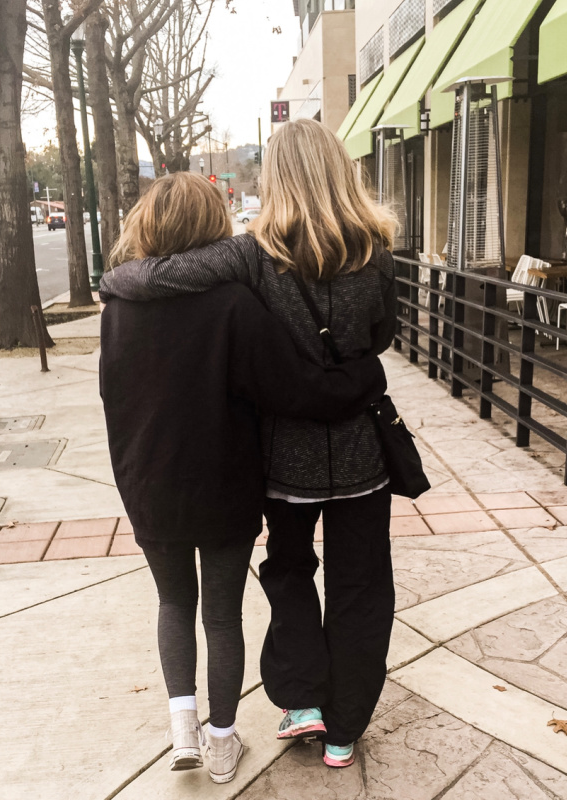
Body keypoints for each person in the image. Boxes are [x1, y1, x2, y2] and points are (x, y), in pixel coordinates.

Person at [100, 119, 398, 769]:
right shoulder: (376, 251)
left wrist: (118, 283)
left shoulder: (253, 256)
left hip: (280, 462)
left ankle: (300, 702)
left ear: (274, 180)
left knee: (288, 573)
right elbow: (379, 337)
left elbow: (166, 280)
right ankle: (342, 730)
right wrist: (353, 371)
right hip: (361, 456)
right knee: (361, 588)